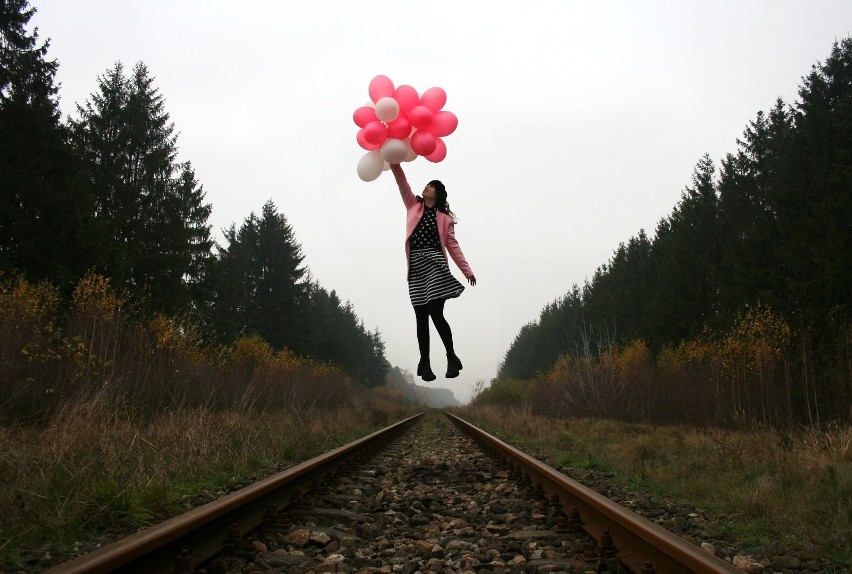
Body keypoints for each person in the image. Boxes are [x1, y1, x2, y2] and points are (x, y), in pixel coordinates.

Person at [389, 163, 476, 382]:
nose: (425, 188)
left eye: (430, 186)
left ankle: (451, 356)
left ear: (437, 193)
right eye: (426, 185)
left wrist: (466, 270)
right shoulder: (412, 205)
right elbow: (402, 182)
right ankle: (425, 363)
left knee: (435, 312)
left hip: (436, 263)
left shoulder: (445, 219)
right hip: (416, 266)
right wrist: (393, 162)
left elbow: (452, 246)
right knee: (421, 316)